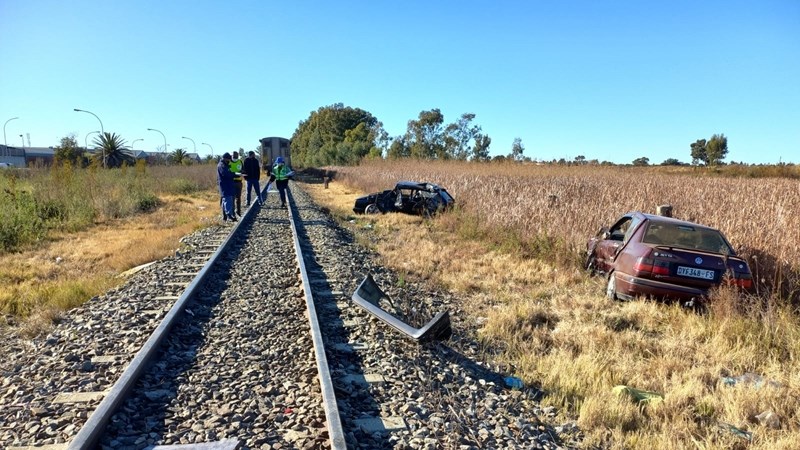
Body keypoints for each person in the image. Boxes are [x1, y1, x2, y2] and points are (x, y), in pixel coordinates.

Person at [217, 153, 236, 222]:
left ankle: (225, 215)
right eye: (228, 159)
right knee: (228, 198)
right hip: (225, 185)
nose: (229, 161)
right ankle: (228, 215)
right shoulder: (222, 165)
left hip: (227, 185)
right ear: (225, 159)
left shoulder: (225, 165)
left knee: (225, 199)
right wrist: (234, 174)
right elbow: (225, 174)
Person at [229, 151, 244, 216]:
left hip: (239, 182)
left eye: (236, 157)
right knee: (232, 198)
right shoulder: (229, 162)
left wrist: (242, 171)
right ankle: (232, 212)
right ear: (232, 156)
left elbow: (243, 170)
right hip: (231, 182)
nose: (235, 158)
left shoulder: (240, 162)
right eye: (234, 157)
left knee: (238, 197)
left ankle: (238, 211)